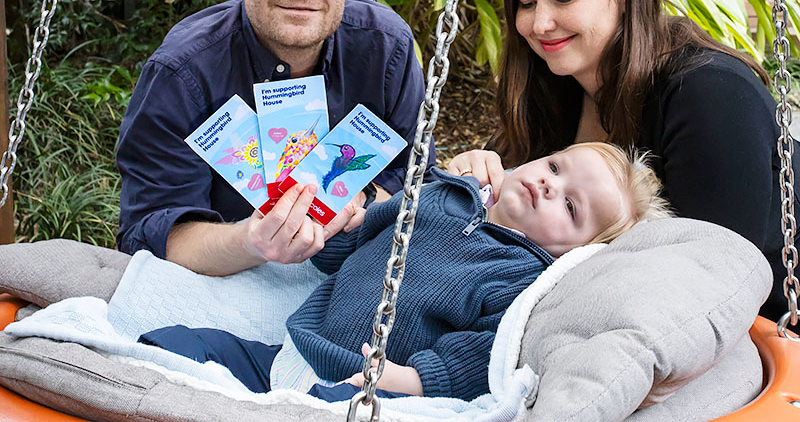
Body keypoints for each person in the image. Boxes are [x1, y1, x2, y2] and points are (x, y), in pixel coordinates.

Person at [446, 0, 800, 322]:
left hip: (758, 333)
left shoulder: (710, 92)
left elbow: (717, 282)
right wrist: (470, 179)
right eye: (525, 3)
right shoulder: (552, 90)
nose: (539, 24)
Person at [140, 142, 671, 401]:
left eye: (572, 208)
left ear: (569, 254)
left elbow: (479, 350)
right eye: (555, 167)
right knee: (177, 342)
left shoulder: (519, 277)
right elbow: (360, 239)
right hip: (295, 349)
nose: (550, 186)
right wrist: (335, 229)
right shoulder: (441, 194)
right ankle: (157, 390)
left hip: (367, 384)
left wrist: (409, 379)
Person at [115, 0, 434, 276]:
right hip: (226, 283)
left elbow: (418, 174)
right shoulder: (182, 73)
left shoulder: (386, 48)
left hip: (359, 277)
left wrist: (364, 197)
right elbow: (152, 234)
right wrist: (251, 241)